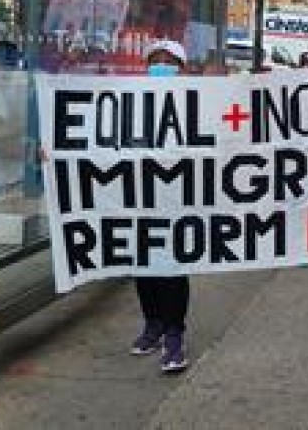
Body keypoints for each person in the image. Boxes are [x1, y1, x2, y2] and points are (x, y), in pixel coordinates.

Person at [131, 39, 191, 373]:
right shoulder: (133, 101)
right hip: (140, 193)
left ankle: (174, 334)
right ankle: (152, 324)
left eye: (169, 61)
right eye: (156, 60)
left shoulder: (195, 104)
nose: (162, 65)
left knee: (171, 265)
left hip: (177, 195)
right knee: (143, 262)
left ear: (182, 69)